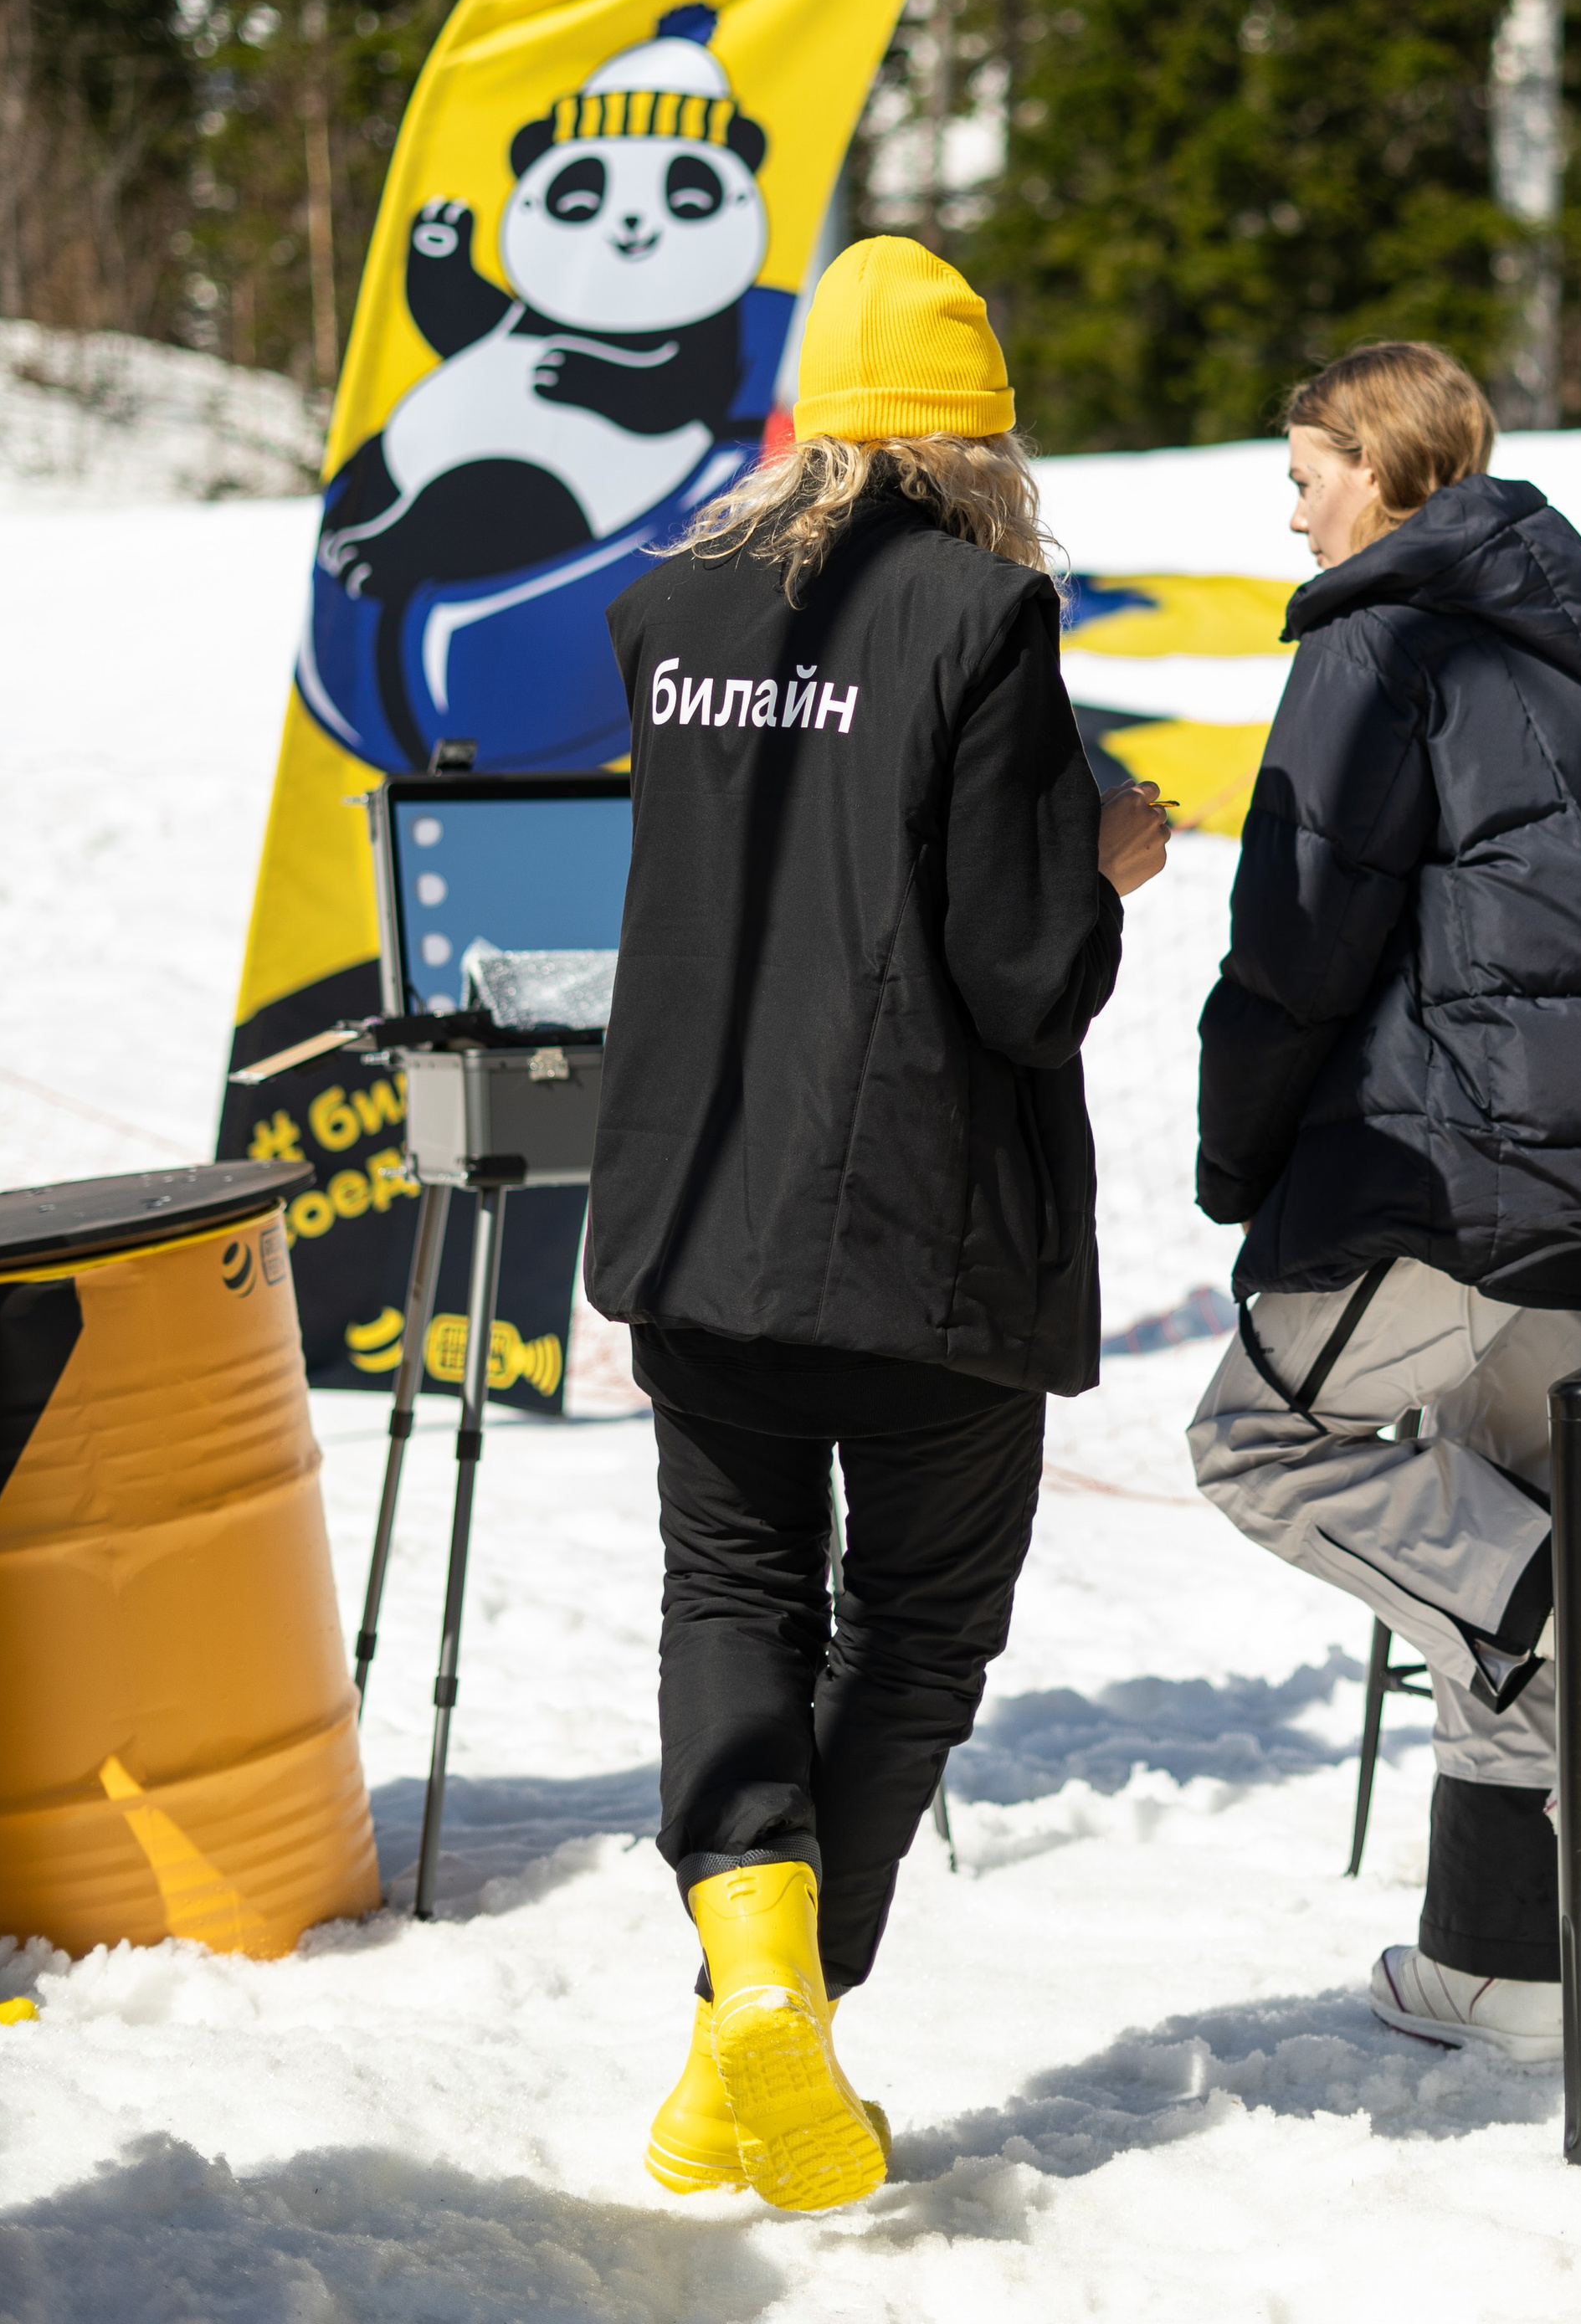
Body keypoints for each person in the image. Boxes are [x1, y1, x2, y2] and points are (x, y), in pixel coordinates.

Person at [586, 236, 1169, 2210]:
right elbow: (1016, 973)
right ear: (976, 443)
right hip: (918, 1226)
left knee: (730, 1594)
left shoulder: (667, 611)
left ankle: (745, 2021)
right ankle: (771, 2025)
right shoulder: (980, 616)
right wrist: (1103, 861)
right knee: (915, 1630)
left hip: (695, 1204)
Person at [1187, 341, 1581, 2065]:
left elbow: (1295, 941)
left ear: (1375, 474)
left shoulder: (1378, 639)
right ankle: (1506, 1969)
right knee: (1486, 1514)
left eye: (1303, 478)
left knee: (1257, 1445)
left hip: (1491, 1170)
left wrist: (1236, 1163)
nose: (1293, 515)